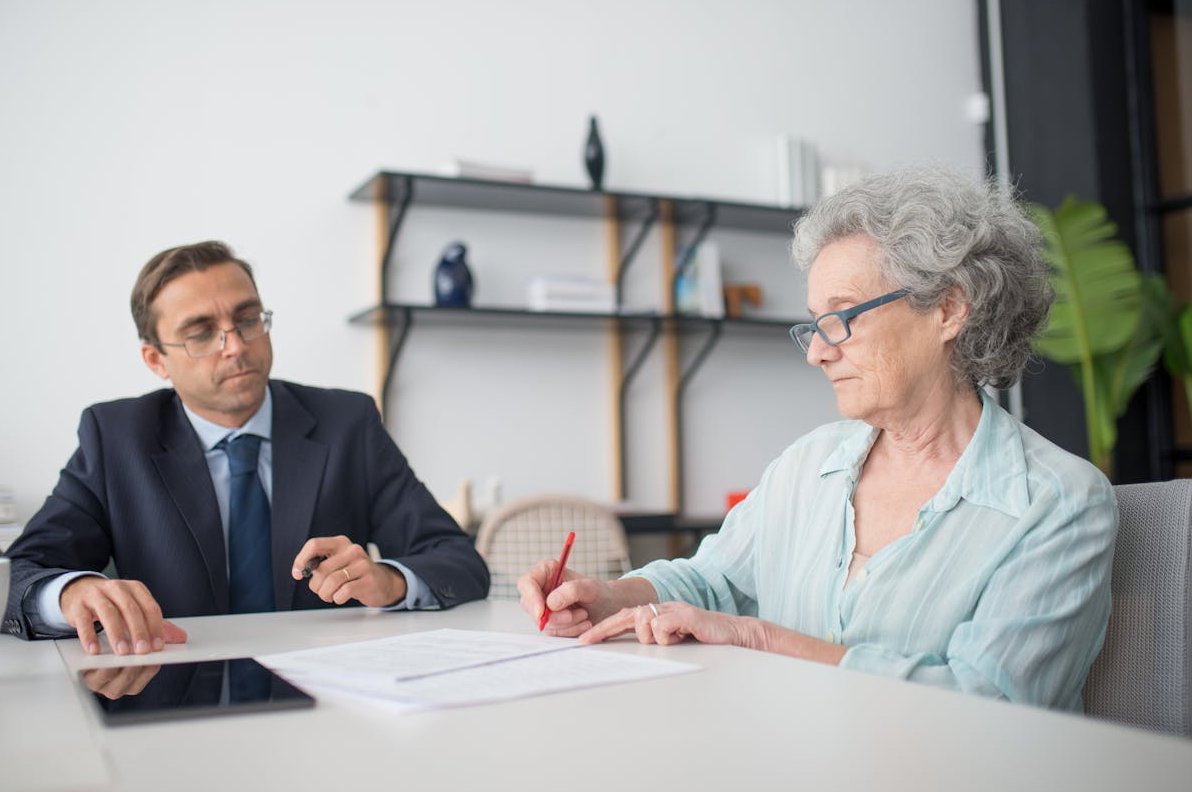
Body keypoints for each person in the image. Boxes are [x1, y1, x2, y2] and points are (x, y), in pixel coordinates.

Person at [519, 167, 1116, 710]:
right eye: (813, 324)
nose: (817, 352)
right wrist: (609, 597)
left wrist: (759, 637)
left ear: (949, 309)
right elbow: (712, 579)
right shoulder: (810, 464)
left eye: (842, 316)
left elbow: (989, 700)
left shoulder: (1057, 503)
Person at [2, 241, 489, 655]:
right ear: (156, 360)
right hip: (168, 692)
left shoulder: (348, 423)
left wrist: (389, 582)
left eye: (248, 319)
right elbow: (23, 574)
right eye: (201, 334)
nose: (235, 346)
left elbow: (457, 560)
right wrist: (73, 592)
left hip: (329, 698)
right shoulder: (115, 437)